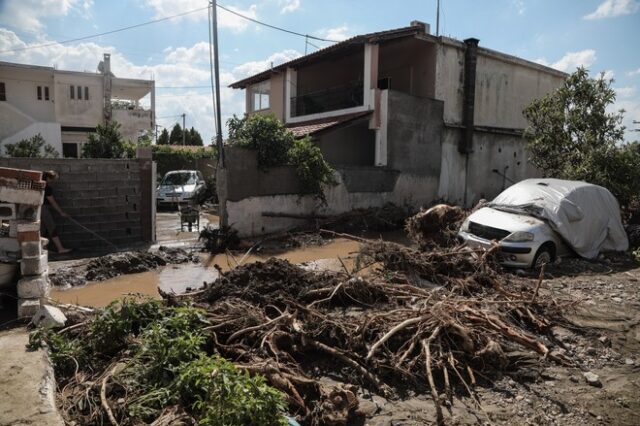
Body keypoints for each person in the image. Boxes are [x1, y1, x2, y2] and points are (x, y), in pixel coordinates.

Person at [41, 170, 72, 254]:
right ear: (48, 178)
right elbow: (52, 202)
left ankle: (43, 249)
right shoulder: (47, 188)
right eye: (53, 179)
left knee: (42, 230)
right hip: (43, 209)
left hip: (38, 209)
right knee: (51, 227)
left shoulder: (39, 185)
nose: (53, 181)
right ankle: (60, 248)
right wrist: (61, 212)